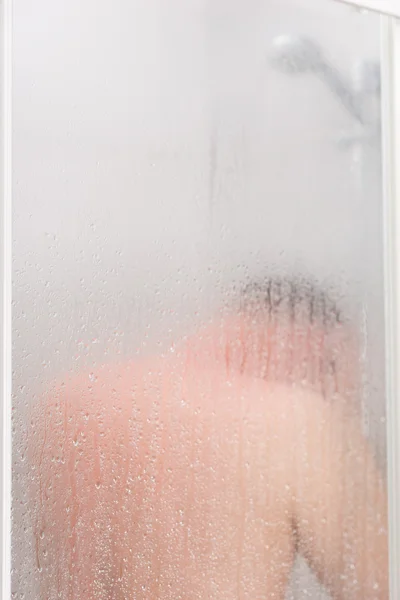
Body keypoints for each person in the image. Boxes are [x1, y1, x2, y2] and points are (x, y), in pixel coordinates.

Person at [29, 276, 388, 599]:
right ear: (319, 352)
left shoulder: (65, 403)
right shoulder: (295, 420)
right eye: (341, 386)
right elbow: (381, 586)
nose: (342, 405)